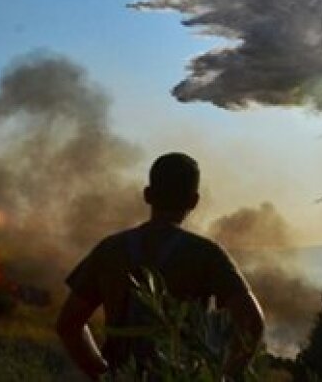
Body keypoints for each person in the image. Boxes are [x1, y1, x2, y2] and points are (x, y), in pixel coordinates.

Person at [55, 152, 265, 379]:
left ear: (147, 195)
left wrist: (100, 372)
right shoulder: (207, 254)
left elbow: (68, 324)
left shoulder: (108, 250)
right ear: (194, 201)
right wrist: (226, 377)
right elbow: (252, 322)